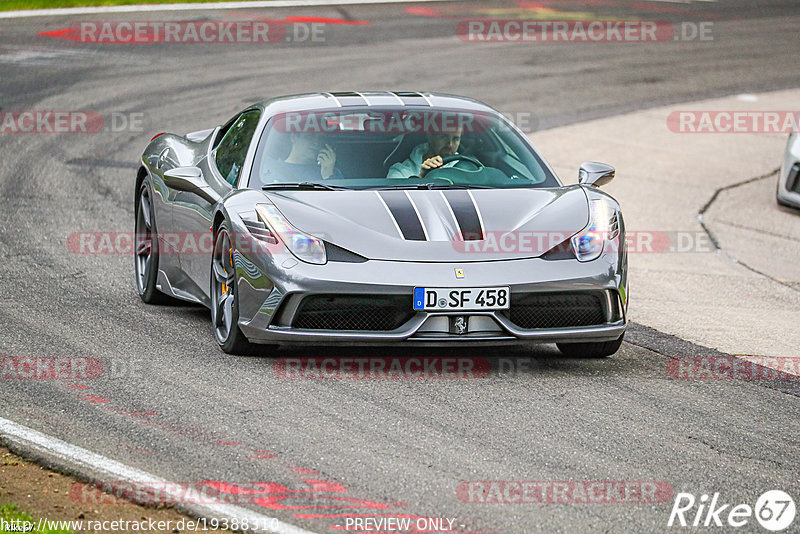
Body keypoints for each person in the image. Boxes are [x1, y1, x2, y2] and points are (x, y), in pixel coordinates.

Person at [262, 133, 343, 182]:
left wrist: (328, 176)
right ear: (293, 137)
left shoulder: (332, 172)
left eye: (321, 139)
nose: (316, 143)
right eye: (310, 136)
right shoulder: (268, 171)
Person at [387, 130, 464, 179]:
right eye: (443, 137)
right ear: (430, 136)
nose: (450, 144)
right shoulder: (400, 172)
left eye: (455, 139)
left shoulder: (466, 167)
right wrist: (421, 178)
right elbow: (396, 201)